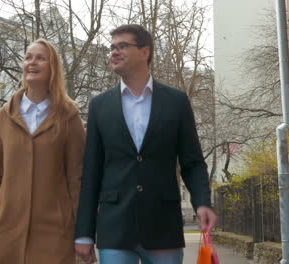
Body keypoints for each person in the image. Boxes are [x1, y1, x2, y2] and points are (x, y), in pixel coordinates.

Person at [74, 24, 217, 264]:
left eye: (122, 46)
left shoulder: (176, 102)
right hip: (115, 229)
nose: (114, 52)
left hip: (163, 226)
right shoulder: (99, 106)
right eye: (112, 48)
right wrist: (84, 232)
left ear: (145, 52)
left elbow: (192, 162)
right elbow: (91, 173)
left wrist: (202, 202)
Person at [0, 39, 86, 264]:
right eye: (28, 57)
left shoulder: (69, 117)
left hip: (54, 234)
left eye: (40, 58)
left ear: (53, 68)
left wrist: (84, 232)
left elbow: (77, 180)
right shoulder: (4, 117)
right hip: (8, 233)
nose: (32, 62)